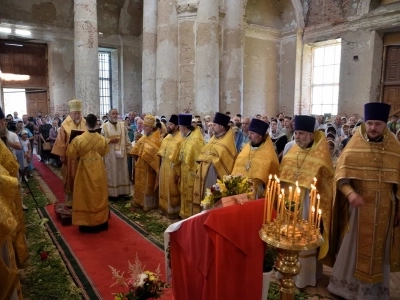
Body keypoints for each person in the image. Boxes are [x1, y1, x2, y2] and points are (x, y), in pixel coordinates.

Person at [327, 102, 400, 300]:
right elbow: (341, 179)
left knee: (379, 250)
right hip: (358, 208)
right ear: (365, 123)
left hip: (386, 208)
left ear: (385, 125)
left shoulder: (395, 148)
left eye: (377, 124)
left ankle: (372, 292)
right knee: (352, 248)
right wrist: (351, 193)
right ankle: (347, 288)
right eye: (369, 123)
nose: (373, 128)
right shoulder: (354, 146)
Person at [279, 115, 334, 288]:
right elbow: (283, 174)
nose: (297, 137)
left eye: (302, 133)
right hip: (291, 202)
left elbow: (326, 183)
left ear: (311, 135)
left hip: (309, 203)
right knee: (289, 236)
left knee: (305, 237)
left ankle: (305, 276)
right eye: (296, 133)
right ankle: (286, 268)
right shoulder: (292, 151)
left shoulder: (321, 154)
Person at [66, 114, 109, 233]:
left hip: (84, 169)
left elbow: (71, 154)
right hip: (98, 168)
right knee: (98, 193)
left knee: (84, 194)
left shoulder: (78, 139)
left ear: (85, 123)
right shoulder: (101, 138)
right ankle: (101, 221)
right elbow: (104, 152)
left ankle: (86, 223)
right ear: (96, 123)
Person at [192, 112, 237, 214]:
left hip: (214, 176)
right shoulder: (213, 138)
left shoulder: (228, 142)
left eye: (214, 125)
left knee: (212, 201)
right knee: (204, 198)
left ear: (221, 127)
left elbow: (227, 163)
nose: (212, 127)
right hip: (204, 173)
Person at [231, 118, 279, 198]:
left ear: (260, 135)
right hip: (239, 190)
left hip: (258, 193)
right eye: (249, 133)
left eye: (252, 133)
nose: (249, 136)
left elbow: (273, 176)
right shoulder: (246, 148)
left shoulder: (269, 153)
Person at [51, 99, 86, 208]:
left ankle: (83, 199)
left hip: (83, 156)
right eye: (75, 113)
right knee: (71, 177)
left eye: (79, 113)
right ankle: (71, 201)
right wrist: (62, 155)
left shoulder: (85, 123)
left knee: (83, 177)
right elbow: (61, 141)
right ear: (70, 113)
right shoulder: (65, 125)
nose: (77, 115)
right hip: (70, 157)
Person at [174, 114, 205, 218]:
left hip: (192, 175)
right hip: (185, 172)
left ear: (183, 127)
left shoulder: (194, 140)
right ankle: (184, 214)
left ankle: (190, 217)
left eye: (179, 127)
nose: (179, 129)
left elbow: (196, 160)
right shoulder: (188, 137)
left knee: (190, 195)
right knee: (185, 194)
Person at [130, 115, 161, 211]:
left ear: (151, 127)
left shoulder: (157, 138)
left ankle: (148, 204)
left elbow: (157, 154)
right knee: (139, 184)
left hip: (149, 167)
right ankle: (139, 202)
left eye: (146, 126)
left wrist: (151, 161)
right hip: (140, 165)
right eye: (144, 125)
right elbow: (135, 150)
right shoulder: (143, 137)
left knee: (148, 186)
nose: (144, 127)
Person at [157, 115, 184, 219]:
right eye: (168, 123)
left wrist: (178, 173)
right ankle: (164, 208)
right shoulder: (167, 137)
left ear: (177, 126)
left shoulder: (181, 139)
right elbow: (162, 152)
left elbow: (180, 159)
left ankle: (174, 211)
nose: (168, 126)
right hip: (164, 166)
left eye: (171, 124)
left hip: (173, 169)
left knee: (172, 189)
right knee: (163, 187)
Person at [102, 109, 132, 200]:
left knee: (122, 172)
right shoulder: (104, 126)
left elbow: (127, 139)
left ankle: (123, 192)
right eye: (113, 114)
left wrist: (129, 150)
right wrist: (110, 140)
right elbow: (101, 140)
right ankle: (112, 194)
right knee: (112, 173)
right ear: (109, 115)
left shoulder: (122, 125)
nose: (115, 115)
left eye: (116, 114)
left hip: (121, 154)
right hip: (110, 155)